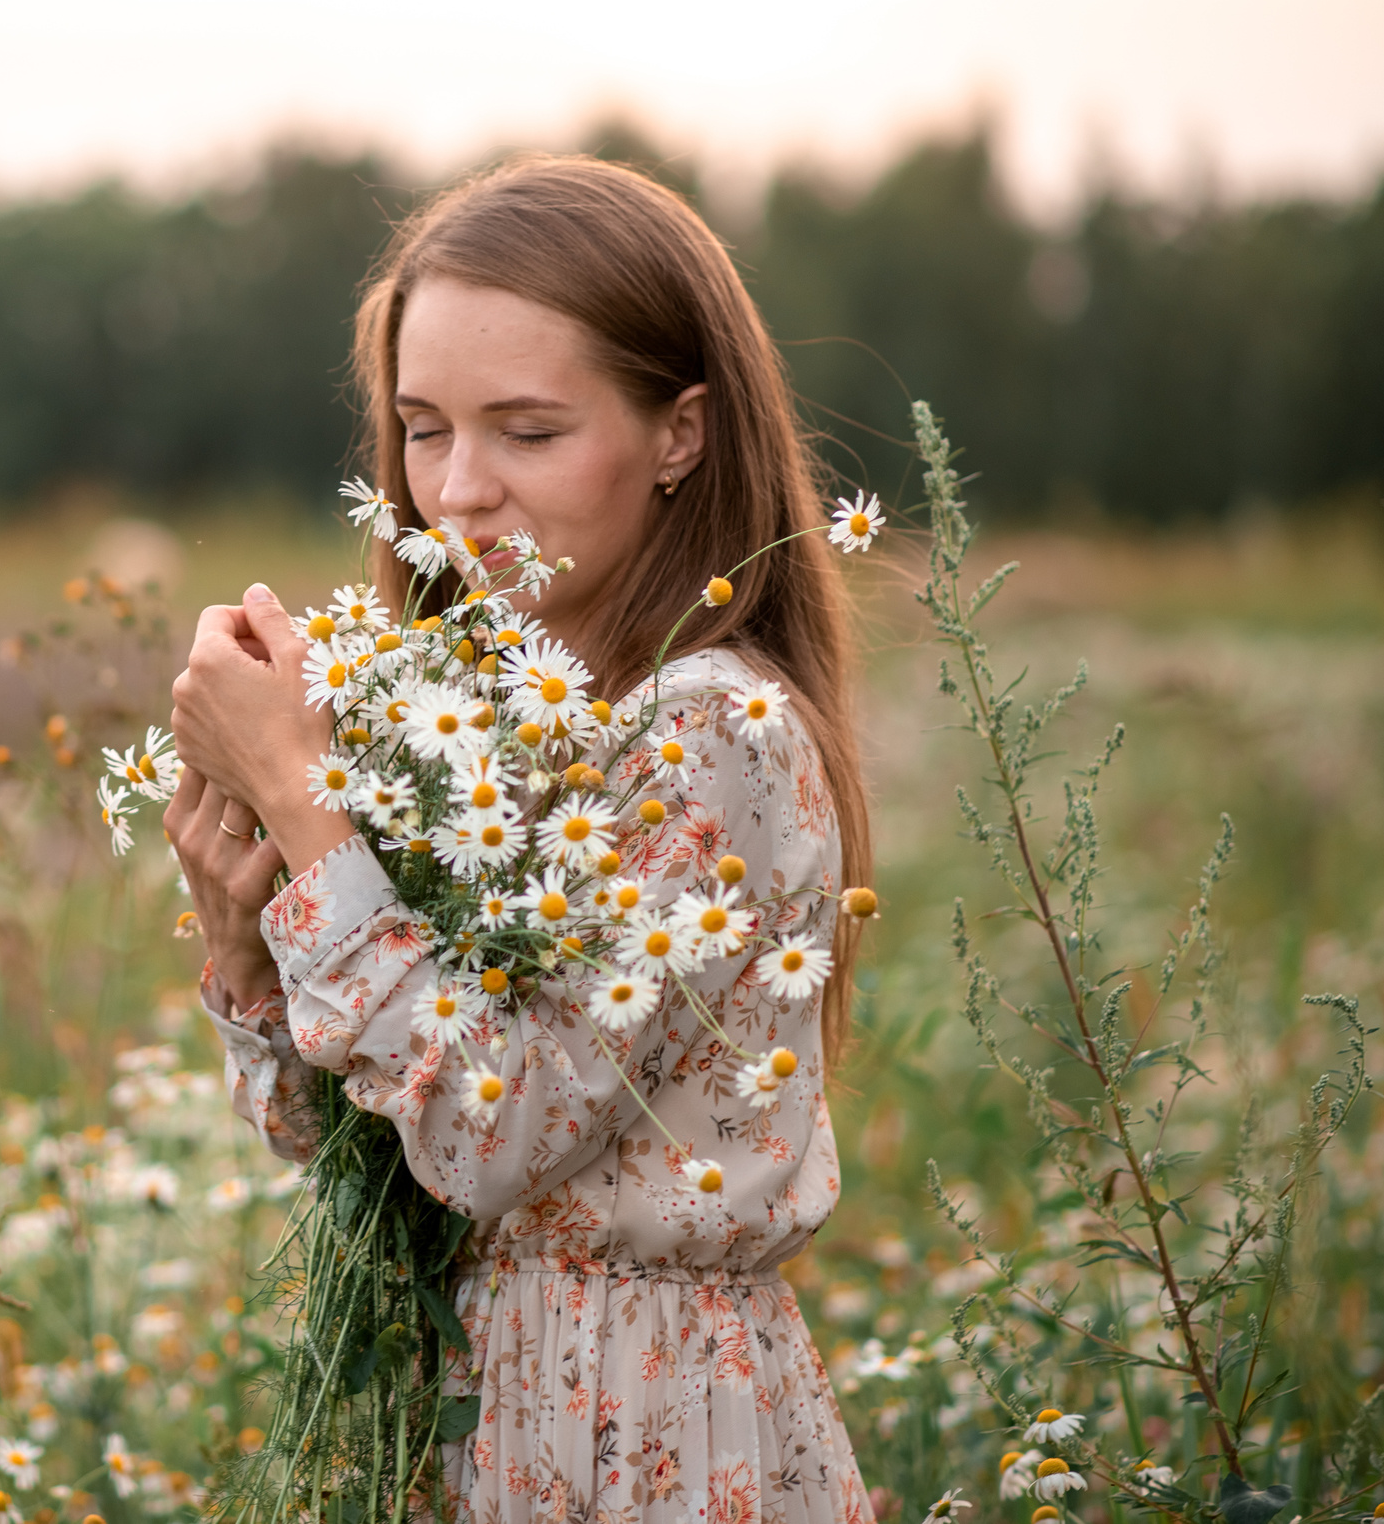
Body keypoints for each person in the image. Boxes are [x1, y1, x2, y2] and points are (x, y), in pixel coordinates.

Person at [163, 155, 875, 1524]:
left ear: (680, 434)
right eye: (425, 429)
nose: (460, 491)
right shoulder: (479, 729)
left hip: (649, 1426)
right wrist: (244, 938)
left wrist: (308, 803)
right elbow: (372, 1154)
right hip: (477, 1410)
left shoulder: (709, 727)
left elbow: (498, 1137)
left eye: (529, 431)